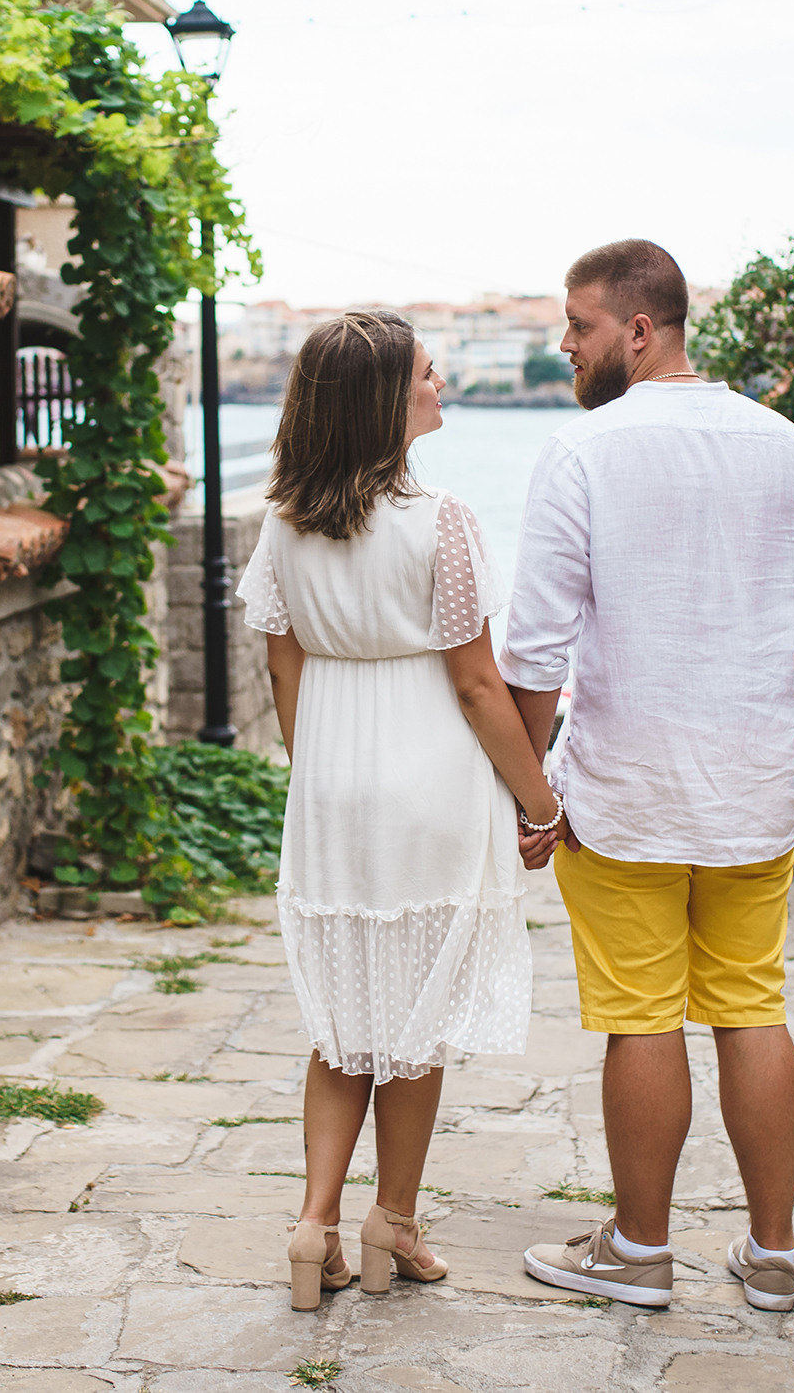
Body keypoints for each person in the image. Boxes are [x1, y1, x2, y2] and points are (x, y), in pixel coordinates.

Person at [501, 239, 794, 1313]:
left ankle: (639, 1248)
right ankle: (772, 1252)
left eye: (577, 324)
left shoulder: (584, 452)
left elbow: (536, 652)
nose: (564, 345)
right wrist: (770, 756)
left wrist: (528, 795)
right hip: (752, 782)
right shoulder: (786, 446)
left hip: (624, 786)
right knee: (751, 1004)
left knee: (640, 1014)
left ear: (638, 329)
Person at [236, 310, 562, 1312]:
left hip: (332, 783)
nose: (442, 379)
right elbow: (475, 683)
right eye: (427, 371)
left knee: (342, 1025)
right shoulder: (441, 518)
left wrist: (319, 769)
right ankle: (394, 1224)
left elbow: (281, 660)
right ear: (386, 399)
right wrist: (539, 801)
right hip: (428, 781)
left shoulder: (282, 516)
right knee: (411, 1029)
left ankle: (312, 1224)